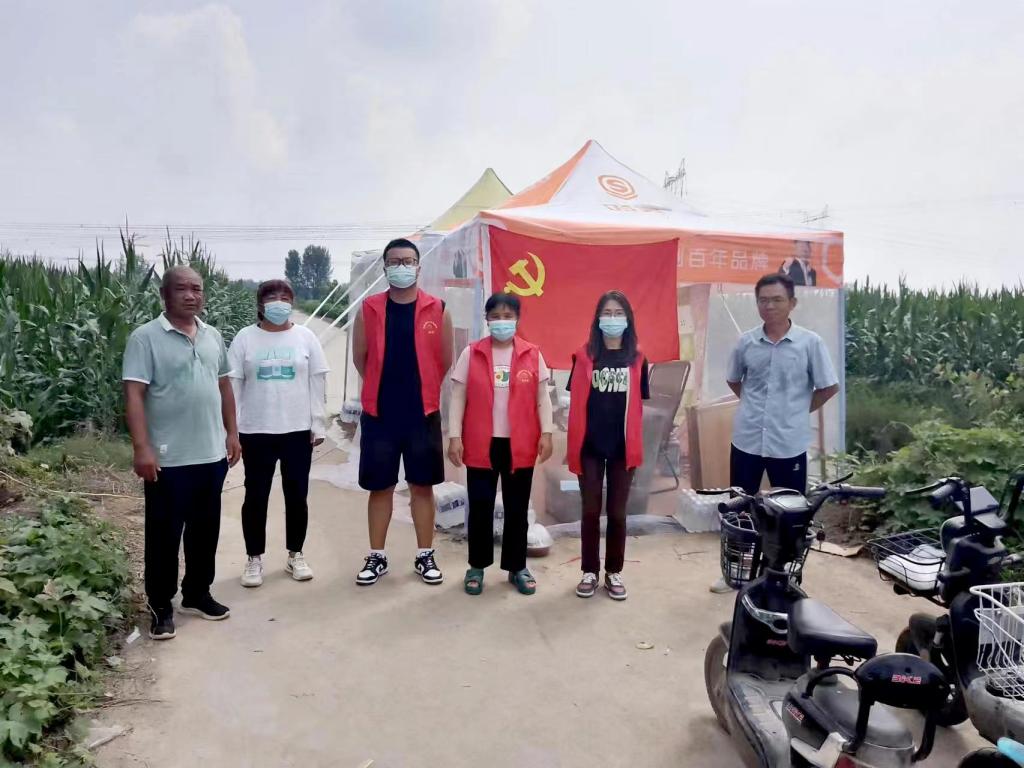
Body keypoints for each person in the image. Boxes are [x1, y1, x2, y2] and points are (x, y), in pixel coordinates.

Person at [122, 265, 241, 641]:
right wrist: (142, 447)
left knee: (205, 531)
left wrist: (232, 433)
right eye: (182, 289)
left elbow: (224, 387)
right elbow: (134, 394)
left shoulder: (212, 335)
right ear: (164, 294)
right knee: (164, 535)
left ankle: (197, 593)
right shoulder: (145, 338)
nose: (191, 295)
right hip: (168, 459)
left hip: (211, 455)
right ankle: (160, 605)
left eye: (197, 289)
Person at [709, 272, 839, 593]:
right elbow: (734, 379)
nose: (770, 306)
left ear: (792, 303)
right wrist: (756, 407)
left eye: (777, 299)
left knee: (789, 513)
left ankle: (781, 576)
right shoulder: (746, 342)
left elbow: (828, 386)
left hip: (788, 443)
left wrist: (797, 411)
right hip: (748, 440)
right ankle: (736, 571)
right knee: (740, 509)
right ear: (757, 304)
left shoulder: (810, 343)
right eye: (763, 300)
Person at [351, 238, 454, 586]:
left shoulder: (437, 309)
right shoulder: (369, 309)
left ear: (418, 267)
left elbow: (444, 360)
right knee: (380, 487)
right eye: (395, 261)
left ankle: (425, 555)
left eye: (408, 261)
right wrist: (382, 387)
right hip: (380, 414)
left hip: (422, 413)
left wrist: (422, 390)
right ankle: (376, 556)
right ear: (384, 268)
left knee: (422, 486)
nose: (402, 267)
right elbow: (361, 358)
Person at [447, 293, 554, 596]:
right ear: (487, 320)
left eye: (508, 316)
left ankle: (517, 567)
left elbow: (543, 398)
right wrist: (454, 436)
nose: (502, 322)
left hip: (519, 444)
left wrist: (546, 433)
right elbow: (458, 397)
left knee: (517, 508)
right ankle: (477, 566)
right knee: (480, 507)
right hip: (481, 443)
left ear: (517, 319)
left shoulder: (532, 354)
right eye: (495, 316)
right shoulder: (472, 353)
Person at [227, 279, 329, 588]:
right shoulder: (245, 338)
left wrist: (318, 423)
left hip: (297, 430)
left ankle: (295, 554)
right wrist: (232, 431)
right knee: (255, 496)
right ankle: (254, 558)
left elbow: (317, 382)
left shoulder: (305, 337)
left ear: (292, 302)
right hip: (256, 430)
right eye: (272, 297)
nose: (279, 302)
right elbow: (233, 386)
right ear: (260, 304)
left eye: (285, 297)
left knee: (297, 495)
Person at [567, 291, 650, 601]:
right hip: (589, 446)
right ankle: (589, 571)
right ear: (597, 319)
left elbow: (639, 403)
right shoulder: (583, 356)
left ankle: (614, 571)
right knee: (590, 510)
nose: (612, 319)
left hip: (622, 448)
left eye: (618, 313)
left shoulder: (637, 358)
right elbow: (576, 399)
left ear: (628, 320)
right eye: (607, 313)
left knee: (617, 512)